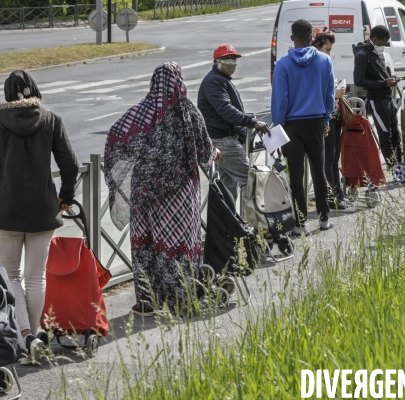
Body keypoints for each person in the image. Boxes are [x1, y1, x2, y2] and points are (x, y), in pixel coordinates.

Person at [0, 70, 79, 365]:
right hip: (43, 210)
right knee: (35, 276)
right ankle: (33, 340)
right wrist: (64, 196)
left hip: (8, 211)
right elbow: (71, 165)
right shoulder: (51, 120)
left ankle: (26, 337)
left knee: (10, 275)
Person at [104, 62, 217, 316]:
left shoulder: (140, 112)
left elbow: (115, 137)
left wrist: (123, 176)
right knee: (177, 244)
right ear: (179, 80)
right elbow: (205, 149)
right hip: (179, 194)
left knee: (146, 246)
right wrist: (213, 155)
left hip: (144, 195)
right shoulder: (186, 111)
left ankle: (147, 301)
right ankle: (181, 300)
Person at [271, 19, 335, 236]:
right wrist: (326, 119)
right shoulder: (325, 61)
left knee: (296, 174)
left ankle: (299, 224)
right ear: (312, 37)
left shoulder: (282, 65)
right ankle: (324, 218)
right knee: (319, 170)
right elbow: (329, 94)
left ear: (292, 38)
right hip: (316, 121)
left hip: (291, 125)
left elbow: (280, 100)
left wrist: (279, 127)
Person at [198, 44, 270, 202]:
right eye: (227, 60)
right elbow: (225, 109)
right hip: (223, 140)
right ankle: (250, 222)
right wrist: (251, 122)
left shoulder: (220, 79)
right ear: (217, 61)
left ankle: (228, 224)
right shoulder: (214, 81)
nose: (232, 63)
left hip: (221, 139)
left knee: (226, 186)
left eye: (233, 59)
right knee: (250, 180)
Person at [312, 30, 350, 210]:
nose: (330, 53)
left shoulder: (324, 63)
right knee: (328, 161)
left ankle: (338, 196)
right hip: (324, 117)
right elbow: (314, 91)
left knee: (334, 160)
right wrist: (334, 92)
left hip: (333, 116)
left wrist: (336, 87)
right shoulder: (314, 64)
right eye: (327, 49)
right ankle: (331, 198)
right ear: (317, 47)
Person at [353, 25, 401, 166]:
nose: (383, 47)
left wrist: (387, 82)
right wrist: (383, 83)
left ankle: (400, 163)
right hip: (376, 99)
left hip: (388, 98)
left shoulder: (375, 52)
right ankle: (393, 166)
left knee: (395, 134)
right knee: (385, 134)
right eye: (382, 43)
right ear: (374, 39)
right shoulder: (362, 55)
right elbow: (359, 80)